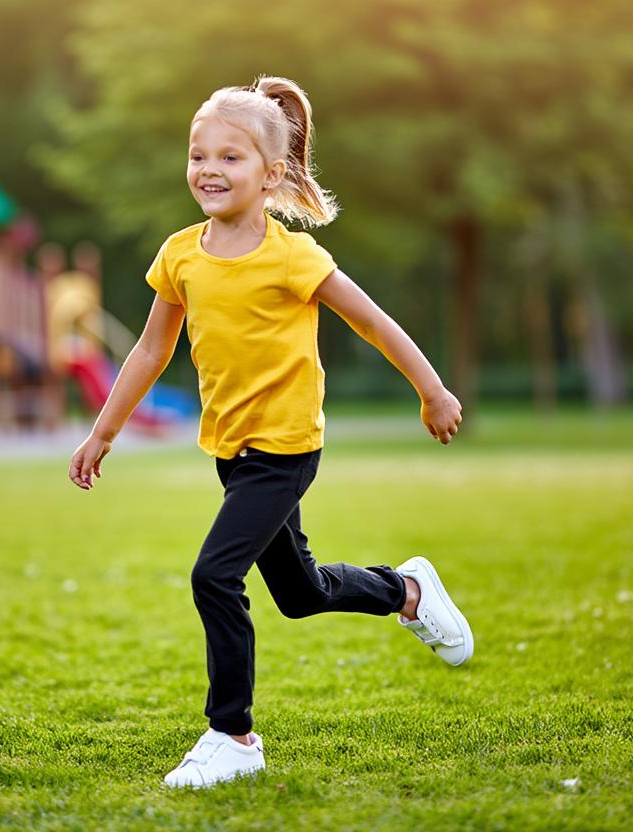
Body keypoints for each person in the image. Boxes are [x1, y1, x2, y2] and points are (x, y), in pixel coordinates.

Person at [68, 76, 473, 788]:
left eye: (230, 157)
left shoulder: (293, 257)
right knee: (300, 592)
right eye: (198, 155)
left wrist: (432, 389)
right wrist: (103, 432)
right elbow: (150, 350)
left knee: (213, 576)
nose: (209, 169)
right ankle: (406, 591)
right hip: (232, 450)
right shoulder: (180, 255)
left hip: (284, 450)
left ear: (271, 173)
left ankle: (233, 736)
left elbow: (373, 322)